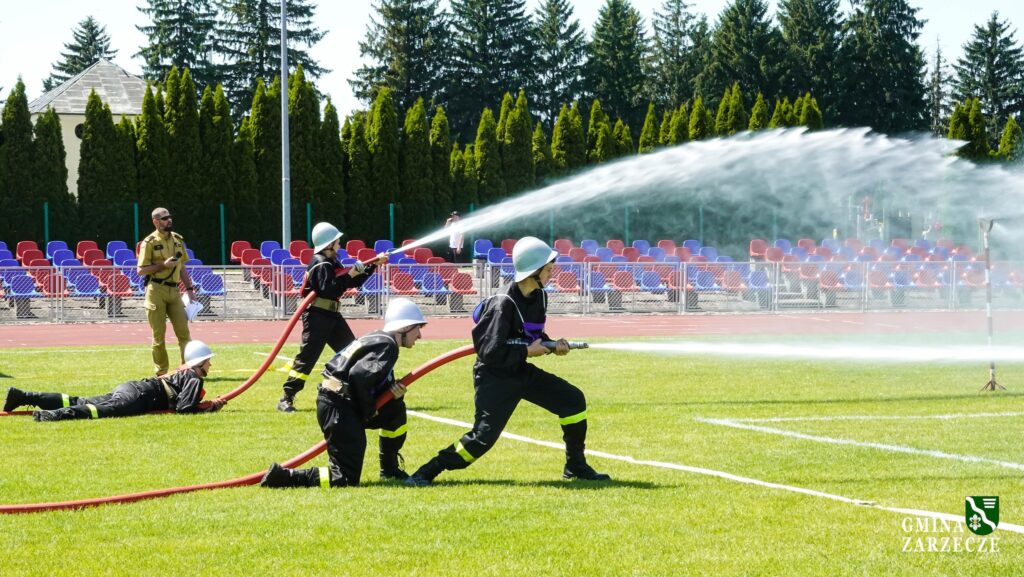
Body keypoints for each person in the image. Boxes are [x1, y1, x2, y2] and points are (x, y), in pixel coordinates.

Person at [406, 236, 610, 486]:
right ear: (533, 272)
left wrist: (551, 345)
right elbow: (489, 351)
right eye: (547, 270)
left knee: (573, 401)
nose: (551, 275)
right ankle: (427, 471)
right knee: (481, 439)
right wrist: (527, 352)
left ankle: (575, 465)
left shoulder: (540, 297)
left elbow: (530, 336)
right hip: (494, 377)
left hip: (519, 371)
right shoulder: (503, 303)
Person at [261, 298, 428, 488]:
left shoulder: (378, 338)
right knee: (345, 478)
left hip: (340, 401)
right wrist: (369, 410)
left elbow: (367, 378)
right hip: (339, 406)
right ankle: (285, 477)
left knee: (394, 410)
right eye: (417, 328)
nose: (420, 335)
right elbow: (359, 376)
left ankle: (390, 469)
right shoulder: (388, 346)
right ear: (404, 327)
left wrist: (393, 394)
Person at [277, 222, 388, 412]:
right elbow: (331, 289)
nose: (340, 245)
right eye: (337, 242)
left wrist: (372, 266)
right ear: (329, 244)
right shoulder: (320, 263)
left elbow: (351, 282)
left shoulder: (332, 262)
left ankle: (354, 392)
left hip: (332, 315)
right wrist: (351, 273)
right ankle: (287, 397)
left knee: (353, 352)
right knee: (307, 358)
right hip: (317, 316)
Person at [4, 341, 223, 421]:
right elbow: (184, 409)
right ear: (199, 362)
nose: (210, 366)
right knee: (100, 410)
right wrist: (210, 407)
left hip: (134, 388)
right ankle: (51, 415)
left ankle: (24, 396)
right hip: (141, 396)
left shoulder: (182, 371)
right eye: (208, 362)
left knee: (80, 399)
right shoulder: (194, 378)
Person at [137, 207, 196, 376]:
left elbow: (182, 266)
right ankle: (161, 373)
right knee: (159, 336)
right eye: (164, 218)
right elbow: (140, 270)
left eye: (169, 217)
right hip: (156, 290)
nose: (169, 220)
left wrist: (190, 289)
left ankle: (187, 369)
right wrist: (163, 265)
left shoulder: (177, 239)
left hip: (174, 291)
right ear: (155, 222)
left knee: (184, 333)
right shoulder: (149, 242)